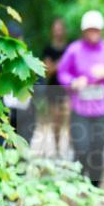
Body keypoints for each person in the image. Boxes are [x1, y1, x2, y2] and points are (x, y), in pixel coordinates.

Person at [57, 10, 104, 187]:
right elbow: (62, 73)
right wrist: (73, 82)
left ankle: (95, 189)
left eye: (96, 29)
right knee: (81, 149)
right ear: (83, 31)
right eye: (90, 30)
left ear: (101, 30)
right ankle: (80, 184)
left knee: (97, 151)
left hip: (103, 111)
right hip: (80, 110)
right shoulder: (74, 50)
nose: (93, 33)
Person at [39, 17, 70, 157]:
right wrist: (62, 62)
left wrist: (56, 65)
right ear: (52, 31)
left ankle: (70, 150)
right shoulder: (48, 49)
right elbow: (48, 70)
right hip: (53, 89)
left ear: (64, 31)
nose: (58, 32)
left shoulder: (70, 48)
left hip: (68, 90)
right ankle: (58, 150)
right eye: (55, 29)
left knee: (70, 121)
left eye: (60, 29)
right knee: (56, 123)